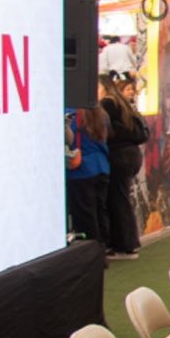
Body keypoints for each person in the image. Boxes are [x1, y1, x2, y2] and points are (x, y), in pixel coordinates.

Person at [100, 77, 148, 260]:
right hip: (129, 156)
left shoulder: (107, 103)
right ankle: (128, 243)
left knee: (117, 201)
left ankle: (124, 245)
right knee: (122, 199)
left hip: (118, 157)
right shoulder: (121, 104)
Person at [65, 106, 111, 247]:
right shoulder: (101, 113)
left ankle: (92, 252)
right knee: (100, 211)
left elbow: (68, 140)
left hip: (81, 170)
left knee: (85, 216)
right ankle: (102, 247)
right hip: (101, 167)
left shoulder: (70, 114)